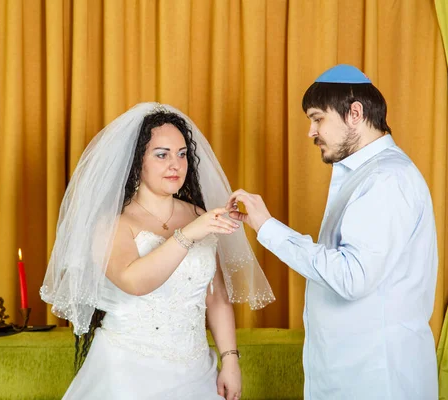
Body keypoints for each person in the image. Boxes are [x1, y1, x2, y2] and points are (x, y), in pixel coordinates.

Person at [226, 65, 438, 399]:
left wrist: (268, 228)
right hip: (355, 373)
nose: (311, 132)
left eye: (317, 119)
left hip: (377, 378)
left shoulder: (386, 179)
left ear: (355, 113)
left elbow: (352, 277)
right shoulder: (367, 174)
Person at [41, 102, 275, 400]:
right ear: (137, 162)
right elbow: (134, 281)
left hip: (196, 370)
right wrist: (189, 234)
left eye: (181, 154)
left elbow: (215, 295)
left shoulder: (197, 213)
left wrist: (230, 359)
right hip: (127, 369)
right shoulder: (113, 222)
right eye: (162, 155)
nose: (175, 164)